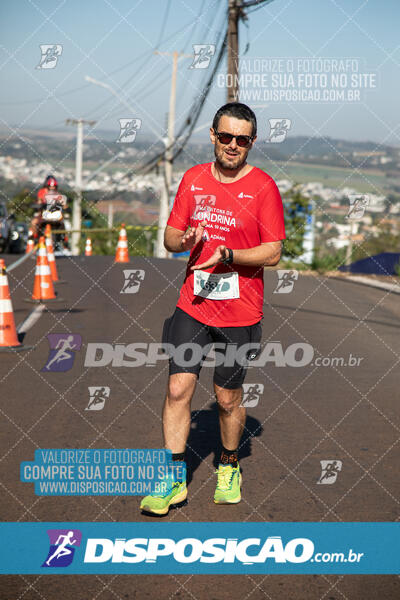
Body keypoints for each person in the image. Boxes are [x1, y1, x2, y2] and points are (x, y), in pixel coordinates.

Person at [140, 102, 286, 516]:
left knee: (226, 398)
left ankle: (228, 463)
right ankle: (172, 479)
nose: (233, 145)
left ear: (252, 143)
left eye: (242, 139)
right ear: (213, 136)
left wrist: (228, 252)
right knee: (177, 388)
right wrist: (185, 240)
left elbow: (273, 251)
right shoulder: (193, 178)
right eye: (226, 137)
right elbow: (170, 239)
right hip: (194, 303)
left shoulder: (263, 188)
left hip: (241, 311)